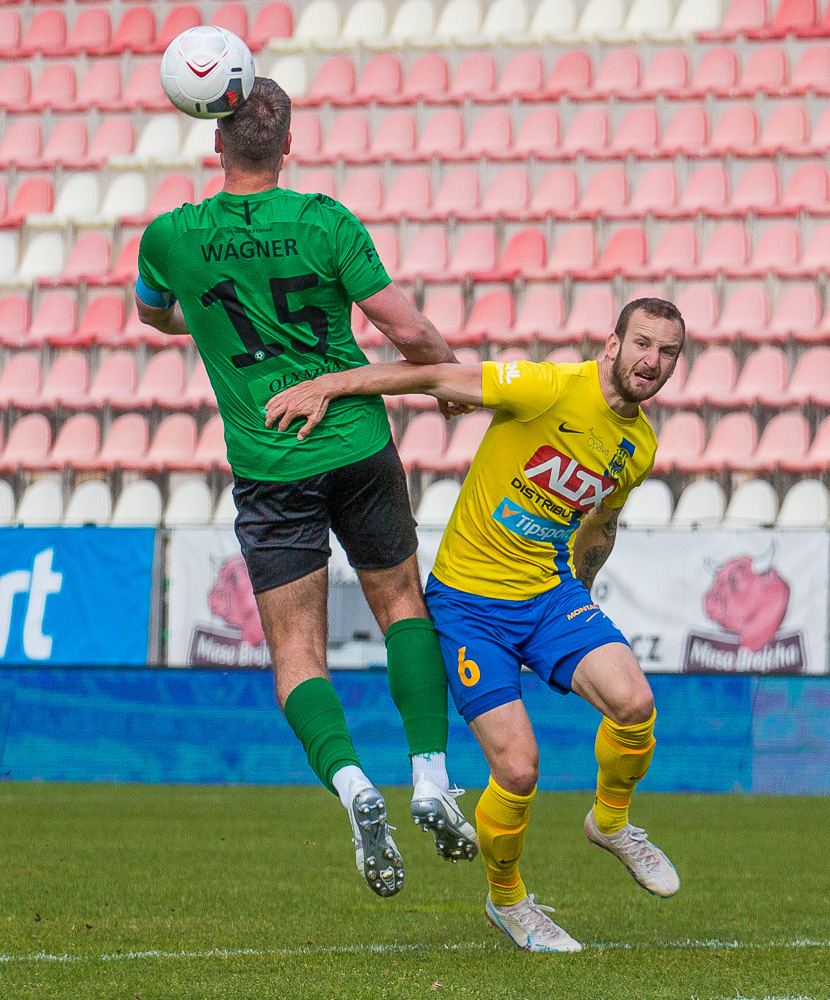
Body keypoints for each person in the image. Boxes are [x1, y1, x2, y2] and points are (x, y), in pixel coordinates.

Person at [134, 77, 477, 899]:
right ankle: (430, 774)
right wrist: (448, 375)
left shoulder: (170, 237)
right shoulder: (326, 221)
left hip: (270, 467)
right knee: (403, 605)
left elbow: (154, 316)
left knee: (296, 652)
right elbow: (406, 329)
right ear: (288, 144)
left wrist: (206, 317)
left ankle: (353, 785)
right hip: (357, 445)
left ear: (215, 140)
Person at [263, 298, 686, 949]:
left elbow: (600, 524)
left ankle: (610, 821)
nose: (652, 361)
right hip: (469, 607)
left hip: (550, 597)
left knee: (635, 704)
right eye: (643, 344)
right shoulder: (546, 388)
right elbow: (433, 377)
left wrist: (582, 592)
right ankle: (508, 901)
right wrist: (331, 384)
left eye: (667, 352)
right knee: (518, 770)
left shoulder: (640, 446)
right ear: (613, 344)